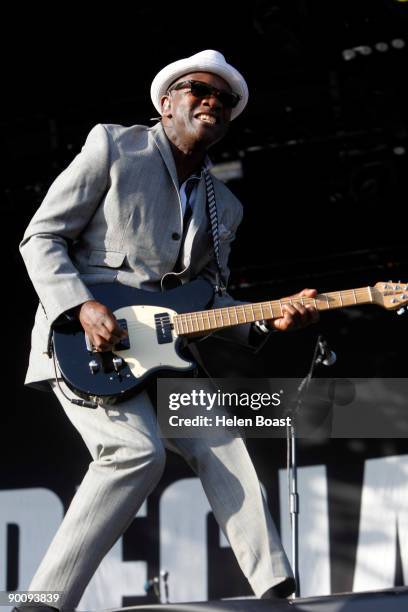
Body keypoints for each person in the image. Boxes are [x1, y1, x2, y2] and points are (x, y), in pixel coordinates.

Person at [18, 50, 319, 610]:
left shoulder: (223, 206)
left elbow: (210, 299)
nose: (212, 101)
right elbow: (40, 238)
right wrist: (82, 307)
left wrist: (269, 319)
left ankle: (276, 591)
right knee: (135, 453)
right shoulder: (114, 145)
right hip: (87, 343)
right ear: (165, 102)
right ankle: (41, 602)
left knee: (222, 442)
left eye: (225, 99)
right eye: (198, 89)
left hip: (166, 351)